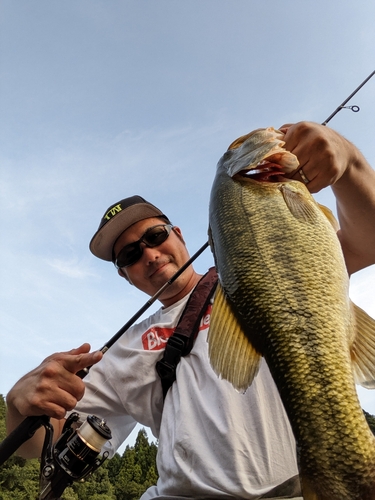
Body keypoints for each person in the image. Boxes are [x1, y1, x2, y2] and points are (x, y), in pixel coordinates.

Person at [6, 121, 375, 499]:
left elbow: (368, 239)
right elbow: (35, 448)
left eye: (154, 236)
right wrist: (19, 405)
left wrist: (350, 163)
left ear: (178, 235)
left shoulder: (269, 265)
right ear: (125, 276)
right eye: (130, 255)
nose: (149, 254)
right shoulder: (125, 350)